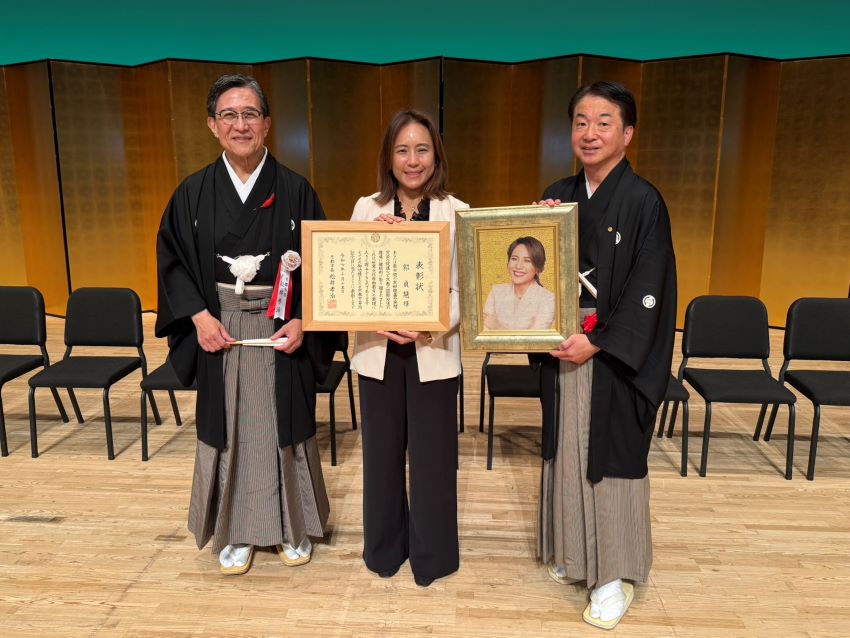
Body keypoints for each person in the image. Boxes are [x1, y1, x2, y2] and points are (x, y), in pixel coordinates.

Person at [155, 74, 331, 575]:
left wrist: (304, 320)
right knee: (230, 429)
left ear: (267, 123)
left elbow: (324, 265)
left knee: (282, 427)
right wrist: (198, 317)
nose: (240, 124)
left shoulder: (295, 190)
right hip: (220, 327)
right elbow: (172, 261)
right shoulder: (193, 192)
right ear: (213, 125)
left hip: (281, 327)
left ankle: (292, 527)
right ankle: (235, 530)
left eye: (250, 114)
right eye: (229, 115)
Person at [536, 81, 677, 629]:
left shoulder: (643, 201)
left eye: (603, 122)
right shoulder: (558, 192)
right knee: (567, 451)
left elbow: (650, 285)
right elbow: (529, 264)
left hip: (611, 351)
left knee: (610, 459)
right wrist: (536, 226)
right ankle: (575, 555)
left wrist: (598, 340)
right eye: (580, 122)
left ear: (628, 133)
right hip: (561, 343)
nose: (589, 133)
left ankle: (613, 577)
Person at [349, 109, 466, 587]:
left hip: (432, 349)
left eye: (421, 149)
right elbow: (349, 281)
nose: (412, 160)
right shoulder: (365, 208)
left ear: (436, 155)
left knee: (433, 459)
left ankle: (433, 557)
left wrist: (426, 326)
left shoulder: (456, 210)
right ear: (389, 157)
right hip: (377, 351)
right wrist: (372, 242)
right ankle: (383, 550)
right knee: (380, 457)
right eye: (402, 150)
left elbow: (464, 290)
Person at [483, 236, 556, 330]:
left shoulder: (548, 299)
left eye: (527, 261)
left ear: (538, 268)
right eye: (514, 259)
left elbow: (535, 338)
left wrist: (498, 327)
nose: (518, 266)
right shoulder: (496, 292)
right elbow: (484, 331)